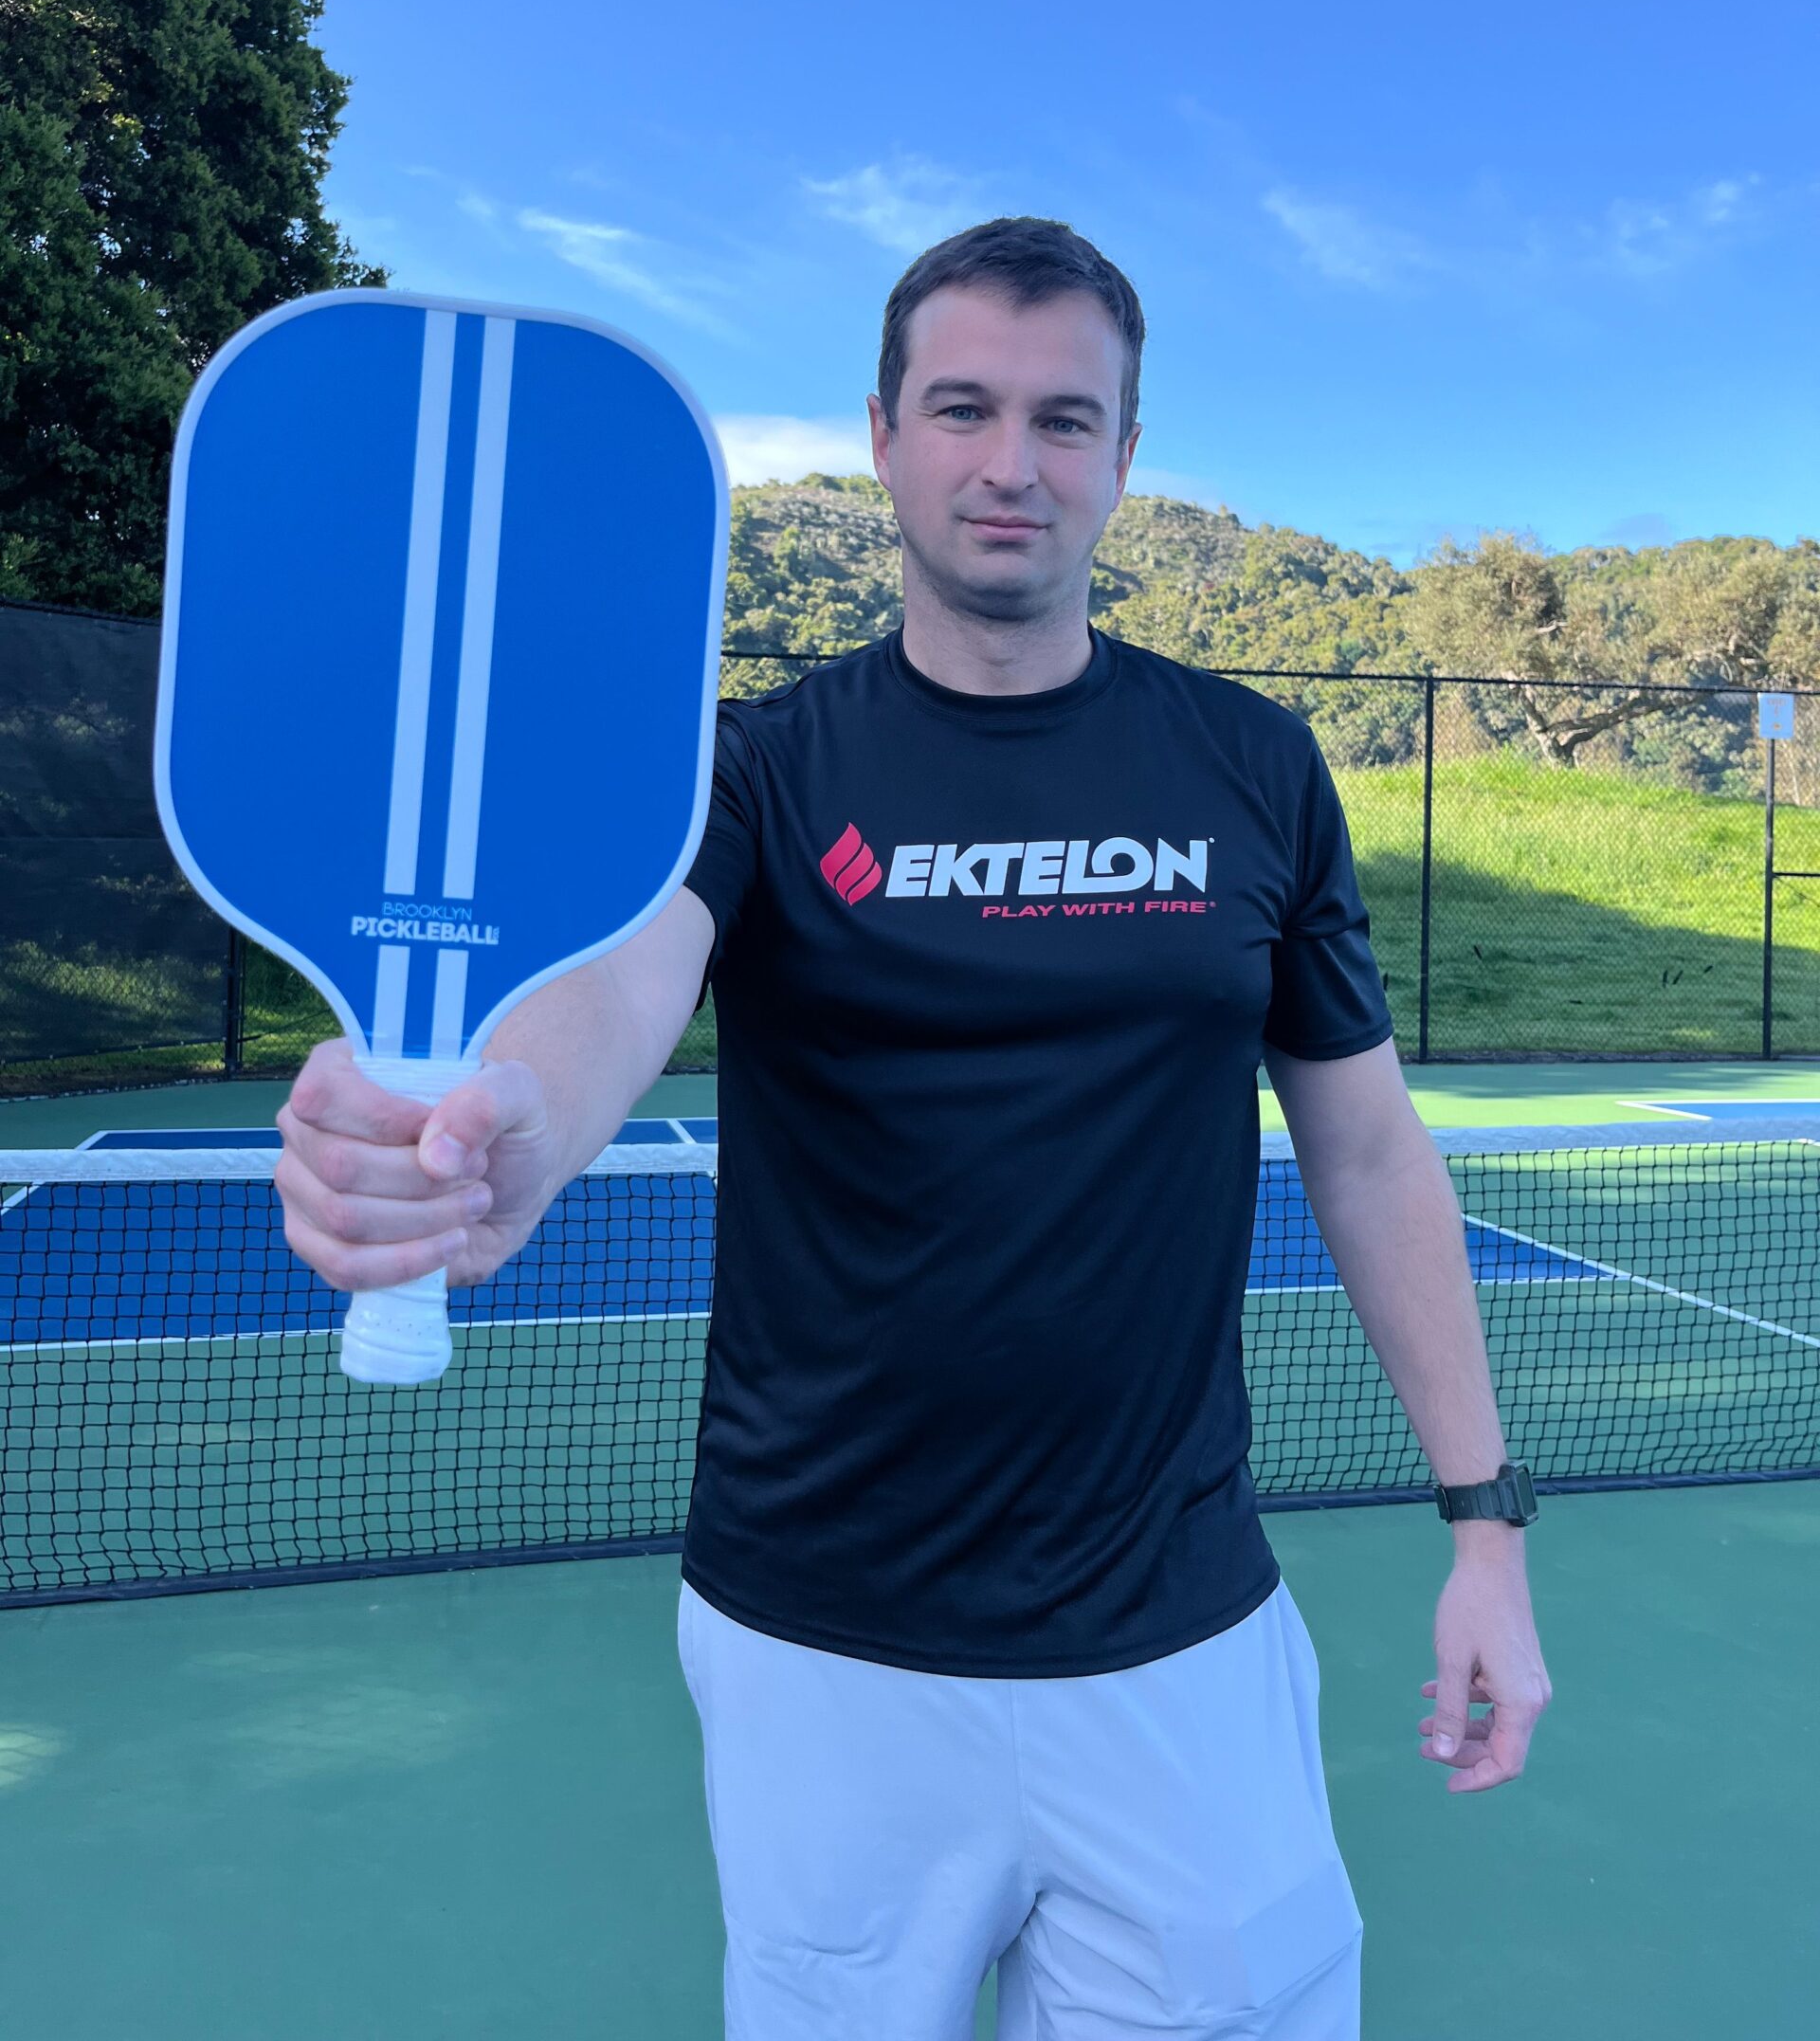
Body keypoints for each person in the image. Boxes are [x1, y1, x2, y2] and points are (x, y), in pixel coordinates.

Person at [276, 217, 1551, 2040]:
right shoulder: (760, 762)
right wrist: (512, 1133)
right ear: (882, 432)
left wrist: (1484, 1526)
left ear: (1123, 454)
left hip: (1178, 1634)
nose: (1008, 462)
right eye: (961, 407)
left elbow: (1364, 1148)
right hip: (819, 1648)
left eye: (1062, 418)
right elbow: (623, 986)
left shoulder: (1255, 767)